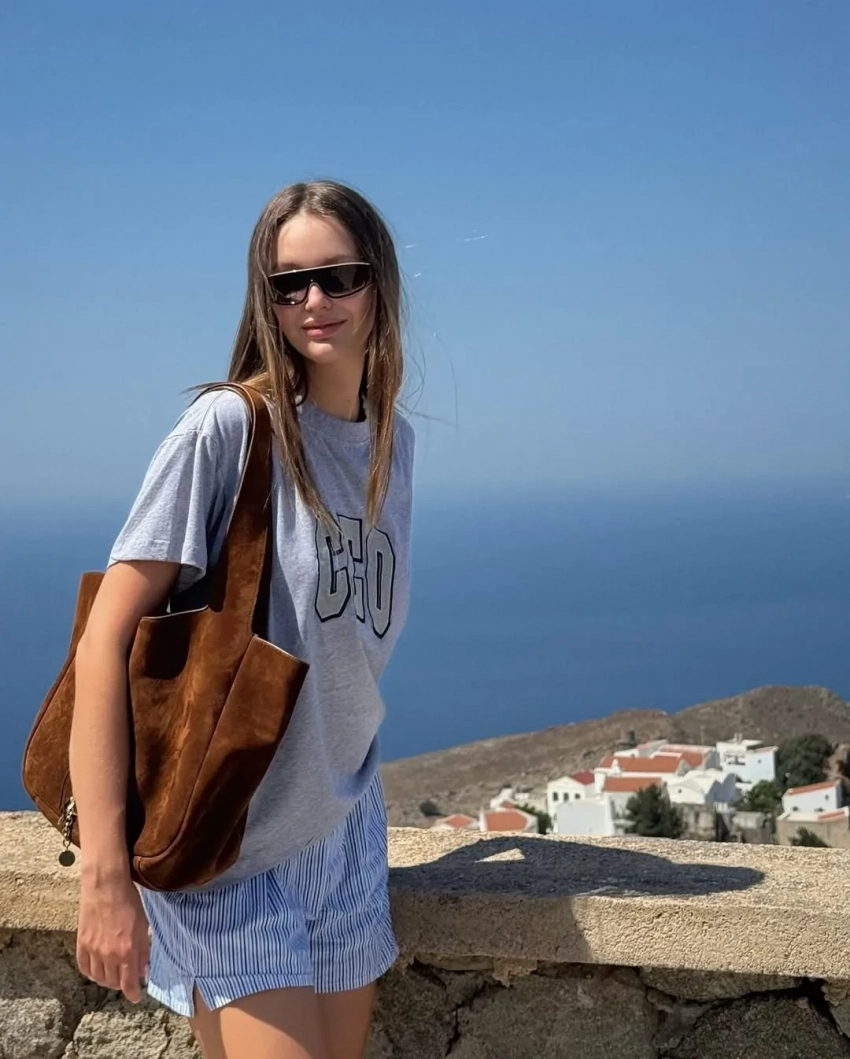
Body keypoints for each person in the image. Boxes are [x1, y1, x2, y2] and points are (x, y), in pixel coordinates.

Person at [68, 179, 415, 1059]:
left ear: (380, 282)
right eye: (288, 284)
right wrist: (105, 876)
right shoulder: (229, 428)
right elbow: (105, 638)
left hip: (343, 822)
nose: (314, 300)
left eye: (340, 276)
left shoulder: (389, 443)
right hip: (230, 835)